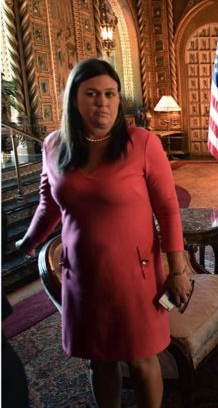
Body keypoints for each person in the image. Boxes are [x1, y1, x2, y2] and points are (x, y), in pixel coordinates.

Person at [15, 58, 192, 408]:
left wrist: (178, 269)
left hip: (135, 274)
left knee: (142, 359)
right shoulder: (53, 146)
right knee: (101, 358)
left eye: (111, 94)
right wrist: (29, 242)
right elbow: (48, 205)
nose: (103, 102)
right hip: (82, 274)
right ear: (74, 100)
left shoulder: (142, 143)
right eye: (92, 93)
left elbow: (168, 209)